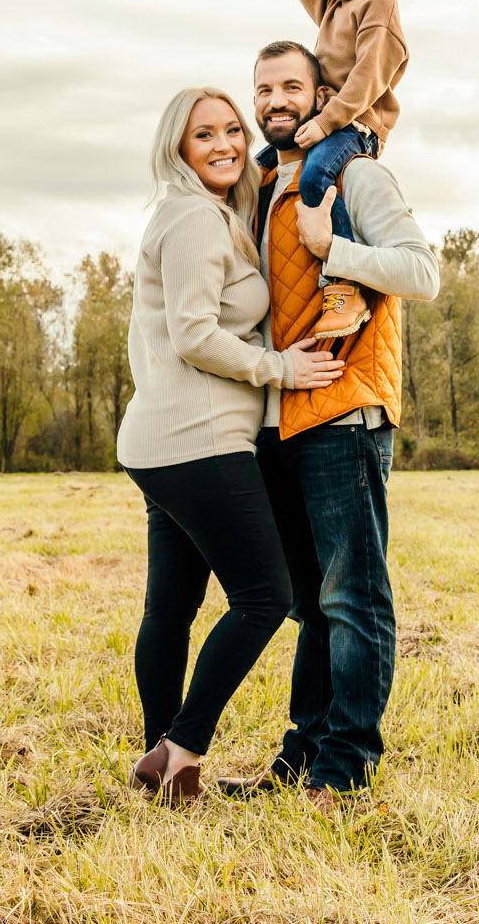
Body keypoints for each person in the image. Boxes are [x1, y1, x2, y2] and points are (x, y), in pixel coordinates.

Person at [220, 42, 438, 808]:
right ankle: (305, 751)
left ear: (321, 94)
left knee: (354, 599)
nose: (275, 99)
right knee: (308, 603)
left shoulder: (355, 175)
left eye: (291, 85)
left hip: (346, 408)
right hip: (279, 418)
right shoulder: (260, 185)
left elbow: (422, 270)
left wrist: (332, 245)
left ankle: (346, 768)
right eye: (263, 88)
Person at [115, 86, 345, 803]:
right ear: (177, 148)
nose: (222, 144)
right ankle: (182, 748)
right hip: (198, 439)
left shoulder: (203, 215)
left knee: (172, 609)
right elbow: (192, 332)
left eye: (230, 130)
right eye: (202, 135)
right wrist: (278, 366)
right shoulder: (194, 220)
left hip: (161, 438)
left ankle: (163, 761)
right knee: (264, 597)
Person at [273, 0, 411, 342]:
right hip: (326, 119)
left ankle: (346, 284)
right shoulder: (331, 5)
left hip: (357, 124)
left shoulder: (379, 6)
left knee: (315, 175)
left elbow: (369, 75)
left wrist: (328, 122)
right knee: (261, 165)